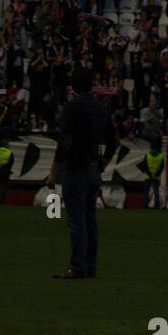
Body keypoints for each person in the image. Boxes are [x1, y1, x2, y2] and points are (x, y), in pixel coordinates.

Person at [47, 66, 118, 279]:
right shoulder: (100, 107)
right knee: (90, 220)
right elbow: (114, 141)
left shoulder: (72, 107)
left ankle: (77, 267)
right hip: (93, 168)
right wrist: (102, 164)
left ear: (73, 86)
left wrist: (53, 171)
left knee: (76, 221)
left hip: (75, 168)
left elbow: (65, 141)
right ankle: (90, 267)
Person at [140, 143, 164, 209]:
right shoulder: (161, 156)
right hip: (157, 177)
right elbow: (161, 167)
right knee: (156, 192)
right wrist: (155, 175)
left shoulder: (147, 155)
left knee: (146, 192)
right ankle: (157, 206)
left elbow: (145, 166)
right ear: (157, 148)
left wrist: (150, 175)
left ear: (151, 148)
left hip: (148, 176)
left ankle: (145, 206)